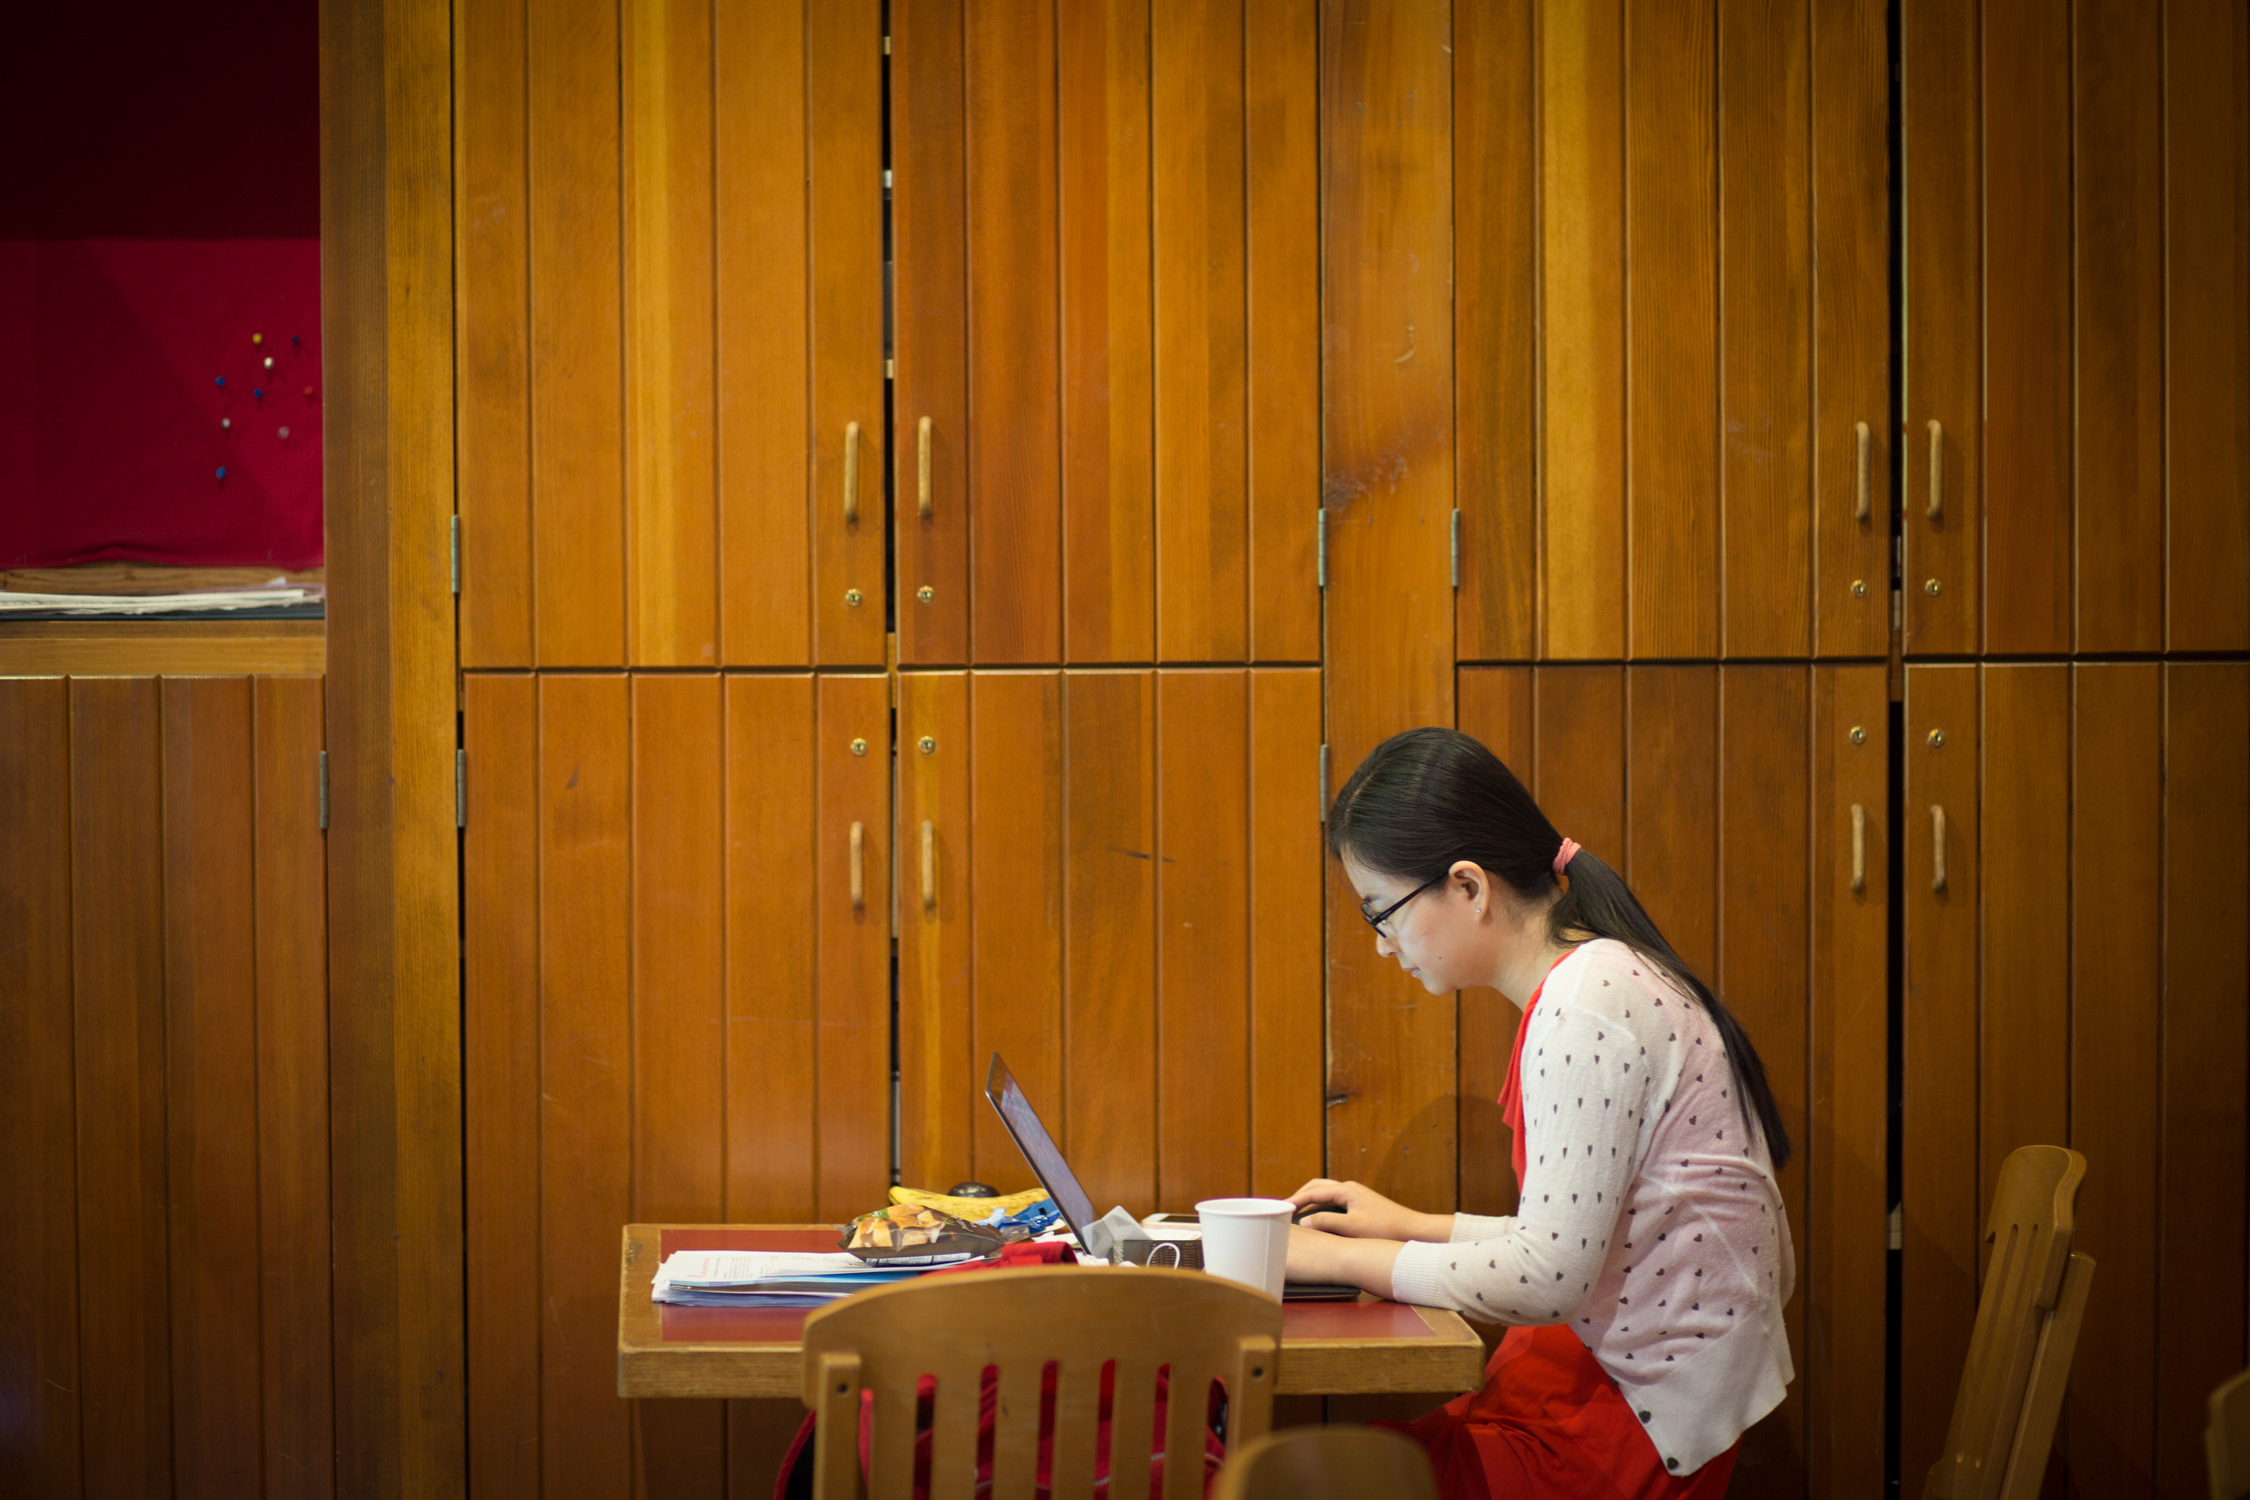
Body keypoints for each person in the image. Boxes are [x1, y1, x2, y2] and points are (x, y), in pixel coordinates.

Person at [1285, 728, 1794, 1498]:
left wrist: (1339, 1262)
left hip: (1624, 1429)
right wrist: (1407, 1224)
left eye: (1381, 913)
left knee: (1288, 1477)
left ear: (1467, 886)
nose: (1385, 946)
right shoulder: (1595, 979)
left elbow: (1551, 1276)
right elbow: (1595, 1239)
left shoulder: (1586, 1006)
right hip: (1618, 1392)